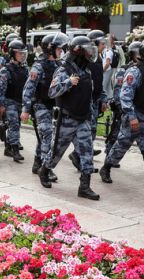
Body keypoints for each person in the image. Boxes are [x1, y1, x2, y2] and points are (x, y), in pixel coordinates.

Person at [99, 36, 144, 192]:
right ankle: (107, 167)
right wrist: (131, 116)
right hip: (135, 116)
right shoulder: (134, 71)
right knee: (121, 145)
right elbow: (125, 96)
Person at [40, 36, 100, 200]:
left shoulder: (86, 70)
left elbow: (88, 96)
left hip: (82, 119)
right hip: (66, 119)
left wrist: (90, 116)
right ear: (78, 51)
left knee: (87, 152)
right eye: (87, 50)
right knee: (56, 152)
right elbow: (52, 92)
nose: (90, 53)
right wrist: (68, 82)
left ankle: (85, 187)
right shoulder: (63, 70)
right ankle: (44, 171)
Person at [22, 33, 67, 183]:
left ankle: (36, 163)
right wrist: (25, 109)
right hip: (40, 104)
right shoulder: (38, 66)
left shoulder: (58, 65)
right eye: (59, 48)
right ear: (50, 48)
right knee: (47, 133)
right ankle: (45, 168)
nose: (61, 50)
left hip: (53, 105)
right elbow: (28, 88)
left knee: (45, 136)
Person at [68, 30, 108, 171]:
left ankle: (84, 152)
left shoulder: (99, 59)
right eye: (102, 43)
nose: (104, 45)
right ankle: (79, 155)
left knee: (92, 130)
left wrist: (103, 98)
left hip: (96, 100)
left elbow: (99, 83)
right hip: (86, 102)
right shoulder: (85, 62)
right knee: (87, 130)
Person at [0, 39, 28, 162]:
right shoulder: (6, 70)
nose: (22, 55)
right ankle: (15, 151)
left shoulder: (25, 69)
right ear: (13, 54)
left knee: (16, 125)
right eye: (19, 53)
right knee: (14, 125)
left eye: (23, 53)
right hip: (9, 102)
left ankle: (7, 148)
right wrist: (2, 104)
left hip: (20, 101)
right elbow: (0, 89)